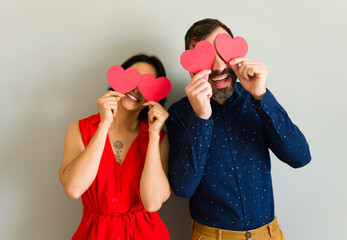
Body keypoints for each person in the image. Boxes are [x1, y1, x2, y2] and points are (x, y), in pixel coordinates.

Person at [166, 18, 311, 240]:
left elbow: (300, 157)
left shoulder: (257, 99)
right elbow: (183, 188)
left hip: (269, 234)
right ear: (190, 68)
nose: (218, 67)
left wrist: (261, 97)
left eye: (223, 54)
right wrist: (201, 118)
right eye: (206, 57)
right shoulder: (179, 114)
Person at [59, 54, 171, 240]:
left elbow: (152, 204)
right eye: (133, 77)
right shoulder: (80, 130)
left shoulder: (159, 138)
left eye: (146, 84)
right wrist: (104, 125)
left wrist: (152, 135)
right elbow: (73, 189)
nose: (136, 88)